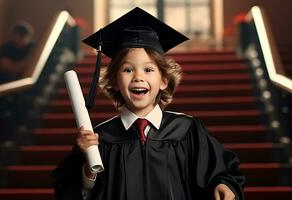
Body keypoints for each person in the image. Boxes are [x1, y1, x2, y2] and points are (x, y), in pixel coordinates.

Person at [53, 7, 245, 200]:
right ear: (114, 81)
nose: (138, 77)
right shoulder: (100, 138)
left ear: (164, 81)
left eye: (148, 69)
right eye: (128, 70)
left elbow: (222, 170)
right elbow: (71, 190)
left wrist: (224, 184)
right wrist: (88, 169)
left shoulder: (187, 130)